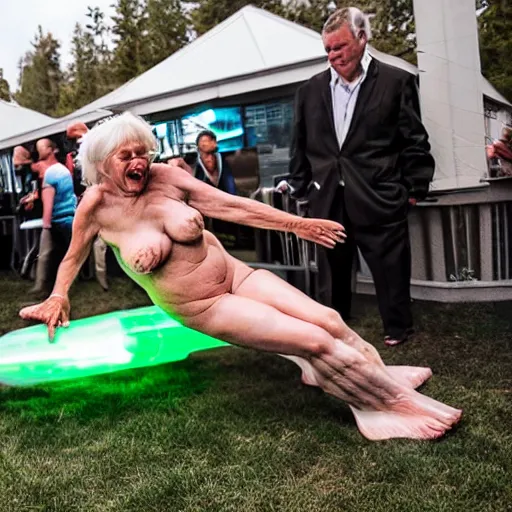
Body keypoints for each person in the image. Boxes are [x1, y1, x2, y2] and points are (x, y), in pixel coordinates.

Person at [19, 113, 461, 441]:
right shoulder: (95, 206)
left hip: (238, 275)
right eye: (126, 156)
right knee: (313, 341)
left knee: (328, 319)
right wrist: (58, 295)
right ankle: (384, 409)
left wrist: (298, 225)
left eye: (142, 152)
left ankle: (380, 374)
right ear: (102, 163)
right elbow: (72, 257)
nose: (139, 162)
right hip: (202, 305)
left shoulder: (166, 177)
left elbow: (233, 206)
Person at [277, 7, 435, 347]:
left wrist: (413, 189)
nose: (333, 56)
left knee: (390, 267)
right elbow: (300, 145)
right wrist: (301, 185)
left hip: (379, 194)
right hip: (328, 198)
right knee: (331, 271)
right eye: (328, 50)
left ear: (362, 39)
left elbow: (414, 141)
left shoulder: (396, 82)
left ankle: (398, 328)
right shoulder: (309, 92)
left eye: (340, 47)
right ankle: (336, 328)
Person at [66, 121, 109, 290]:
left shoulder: (91, 146)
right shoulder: (93, 145)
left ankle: (98, 276)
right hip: (90, 195)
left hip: (94, 195)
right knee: (96, 239)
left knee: (95, 239)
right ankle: (98, 276)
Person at [32, 138, 77, 294]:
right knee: (70, 254)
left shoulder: (50, 173)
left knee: (45, 254)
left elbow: (48, 202)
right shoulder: (64, 170)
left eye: (41, 147)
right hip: (70, 217)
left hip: (56, 220)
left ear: (52, 149)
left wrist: (46, 225)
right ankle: (70, 284)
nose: (39, 151)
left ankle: (40, 285)